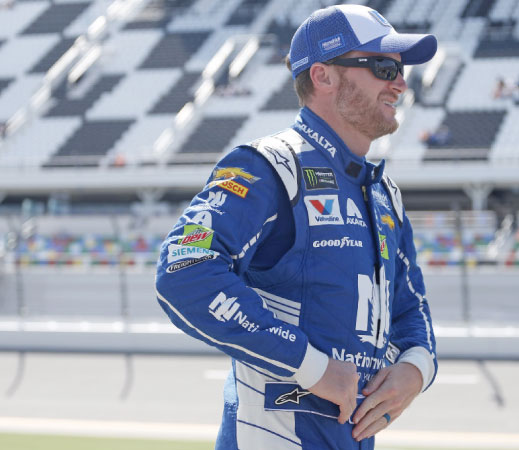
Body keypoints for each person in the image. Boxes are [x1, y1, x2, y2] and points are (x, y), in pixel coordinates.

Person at [154, 5, 438, 450]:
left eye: (400, 69)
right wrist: (310, 366)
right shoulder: (267, 165)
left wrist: (416, 369)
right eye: (384, 67)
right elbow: (183, 269)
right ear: (323, 76)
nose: (400, 82)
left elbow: (410, 308)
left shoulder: (385, 194)